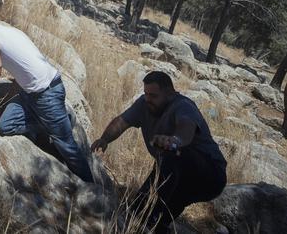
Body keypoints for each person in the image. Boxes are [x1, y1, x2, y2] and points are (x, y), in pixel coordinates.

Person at [90, 71, 227, 232]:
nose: (148, 99)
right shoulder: (144, 104)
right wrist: (104, 139)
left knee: (172, 155)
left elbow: (186, 127)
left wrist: (175, 141)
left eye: (153, 95)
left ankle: (153, 220)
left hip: (210, 175)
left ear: (170, 93)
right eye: (146, 94)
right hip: (175, 171)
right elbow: (122, 121)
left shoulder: (183, 105)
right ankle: (155, 224)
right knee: (137, 211)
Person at [0, 12, 95, 183]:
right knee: (5, 126)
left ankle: (93, 190)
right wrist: (10, 95)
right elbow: (24, 64)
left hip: (47, 94)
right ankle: (51, 124)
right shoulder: (10, 31)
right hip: (30, 93)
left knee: (67, 147)